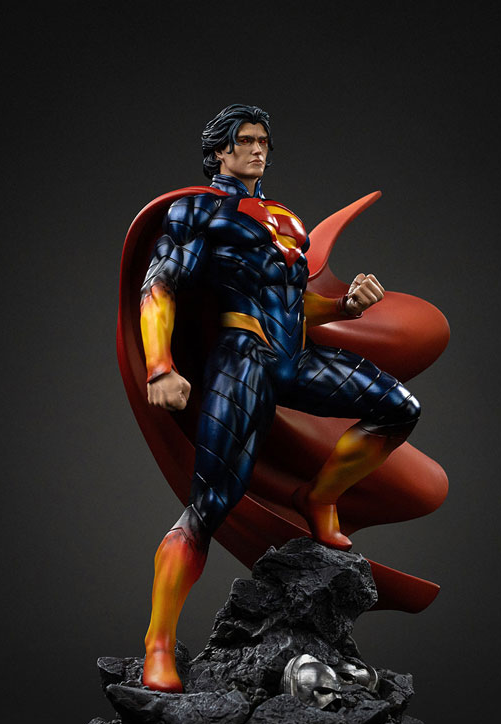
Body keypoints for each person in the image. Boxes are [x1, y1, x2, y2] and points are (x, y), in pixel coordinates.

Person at [136, 104, 423, 692]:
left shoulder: (285, 218)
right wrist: (160, 365)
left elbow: (293, 300)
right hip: (242, 359)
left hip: (293, 359)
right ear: (220, 151)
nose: (257, 149)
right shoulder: (199, 211)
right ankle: (158, 645)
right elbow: (159, 285)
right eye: (245, 140)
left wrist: (346, 306)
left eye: (263, 140)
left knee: (398, 408)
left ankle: (319, 496)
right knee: (207, 508)